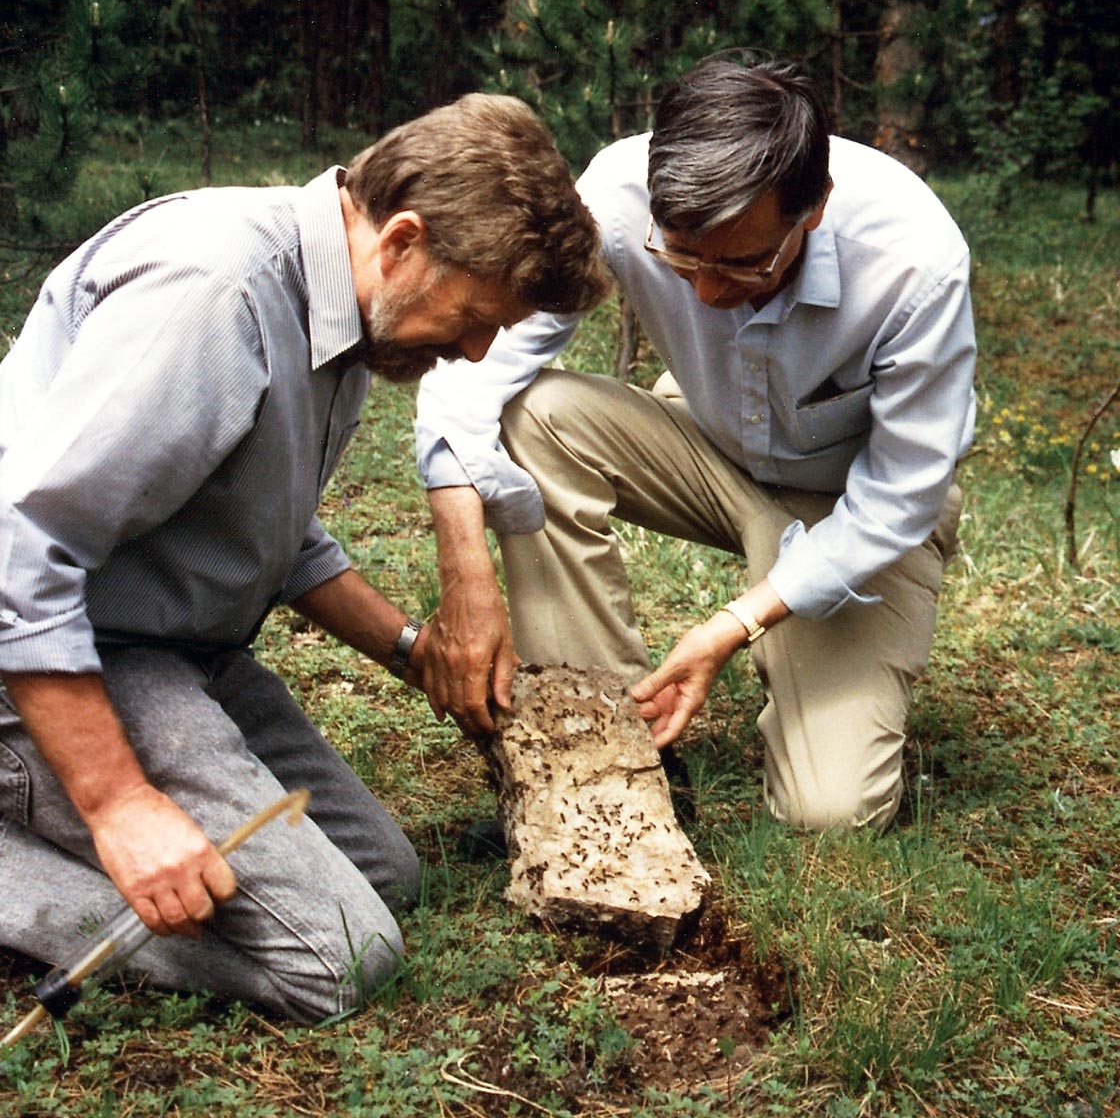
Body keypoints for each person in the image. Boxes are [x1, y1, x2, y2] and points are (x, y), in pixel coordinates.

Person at [0, 92, 608, 1023]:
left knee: (382, 876)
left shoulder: (345, 310)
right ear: (402, 240)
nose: (478, 348)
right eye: (479, 314)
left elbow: (269, 532)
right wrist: (119, 803)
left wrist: (415, 653)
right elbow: (22, 551)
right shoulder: (218, 294)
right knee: (336, 958)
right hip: (56, 654)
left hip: (163, 647)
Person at [415, 52, 976, 833]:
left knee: (830, 813)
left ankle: (815, 679)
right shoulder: (618, 195)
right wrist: (464, 565)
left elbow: (901, 493)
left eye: (744, 264)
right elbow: (477, 365)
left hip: (850, 500)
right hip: (711, 449)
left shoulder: (915, 263)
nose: (708, 294)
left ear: (812, 208)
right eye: (682, 259)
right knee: (533, 415)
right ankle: (609, 749)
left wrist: (731, 627)